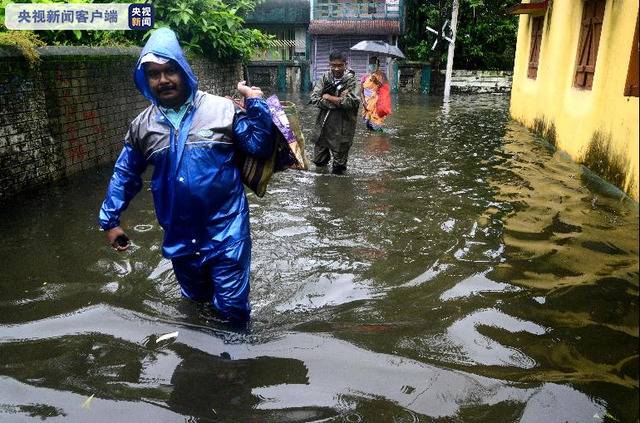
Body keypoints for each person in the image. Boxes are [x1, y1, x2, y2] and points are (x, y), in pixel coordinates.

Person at [98, 28, 273, 324]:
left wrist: (255, 103)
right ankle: (202, 363)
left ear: (184, 70)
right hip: (179, 236)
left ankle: (235, 366)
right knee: (195, 306)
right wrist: (110, 220)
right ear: (146, 80)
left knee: (232, 311)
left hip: (227, 230)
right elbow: (125, 173)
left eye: (169, 70)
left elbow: (259, 144)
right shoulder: (142, 127)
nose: (163, 80)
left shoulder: (222, 109)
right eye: (154, 74)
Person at [309, 50, 360, 175]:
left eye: (339, 65)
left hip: (343, 126)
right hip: (323, 125)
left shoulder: (352, 81)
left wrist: (329, 97)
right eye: (333, 65)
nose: (336, 69)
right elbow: (314, 99)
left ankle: (340, 192)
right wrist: (338, 102)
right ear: (329, 64)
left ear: (345, 64)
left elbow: (353, 102)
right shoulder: (325, 77)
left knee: (339, 168)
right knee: (319, 162)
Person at [360, 56, 391, 132]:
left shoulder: (382, 76)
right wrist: (364, 103)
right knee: (368, 124)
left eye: (374, 64)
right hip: (366, 104)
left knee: (376, 125)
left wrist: (377, 82)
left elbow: (386, 89)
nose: (372, 66)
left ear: (378, 66)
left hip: (377, 105)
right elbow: (361, 92)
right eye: (371, 64)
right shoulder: (365, 77)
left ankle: (379, 139)